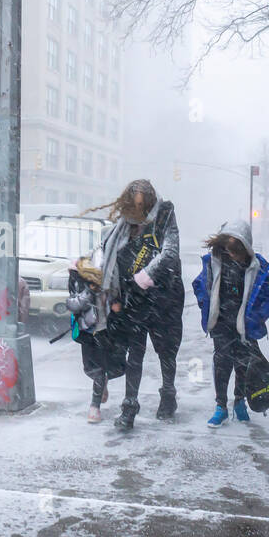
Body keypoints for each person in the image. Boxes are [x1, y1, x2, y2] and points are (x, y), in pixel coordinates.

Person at [89, 179, 183, 429]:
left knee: (166, 351)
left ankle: (168, 394)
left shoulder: (164, 214)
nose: (139, 211)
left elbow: (170, 253)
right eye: (135, 205)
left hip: (166, 297)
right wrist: (116, 293)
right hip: (135, 300)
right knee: (135, 355)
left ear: (150, 202)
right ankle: (129, 407)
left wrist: (144, 277)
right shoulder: (124, 224)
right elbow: (113, 257)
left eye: (143, 205)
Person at [192, 220, 269, 427]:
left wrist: (257, 316)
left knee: (243, 366)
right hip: (221, 322)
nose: (232, 255)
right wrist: (205, 304)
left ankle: (239, 402)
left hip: (245, 327)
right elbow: (199, 285)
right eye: (228, 250)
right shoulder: (214, 262)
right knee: (222, 364)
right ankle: (221, 407)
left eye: (236, 251)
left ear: (245, 248)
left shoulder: (256, 267)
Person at [65, 248, 123, 423]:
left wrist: (115, 303)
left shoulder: (112, 277)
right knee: (89, 369)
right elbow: (72, 304)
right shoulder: (78, 280)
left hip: (107, 331)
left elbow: (118, 298)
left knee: (104, 369)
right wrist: (90, 292)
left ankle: (94, 405)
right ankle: (102, 383)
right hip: (88, 331)